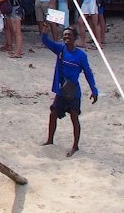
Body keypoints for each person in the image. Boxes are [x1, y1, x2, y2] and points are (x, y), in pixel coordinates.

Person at [40, 26, 98, 157]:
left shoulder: (81, 56)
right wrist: (46, 26)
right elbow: (44, 40)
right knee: (53, 114)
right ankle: (50, 140)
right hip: (61, 91)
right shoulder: (60, 49)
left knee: (74, 117)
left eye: (69, 35)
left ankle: (75, 146)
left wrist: (94, 90)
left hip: (73, 92)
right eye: (64, 35)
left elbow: (88, 73)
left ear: (75, 38)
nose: (66, 37)